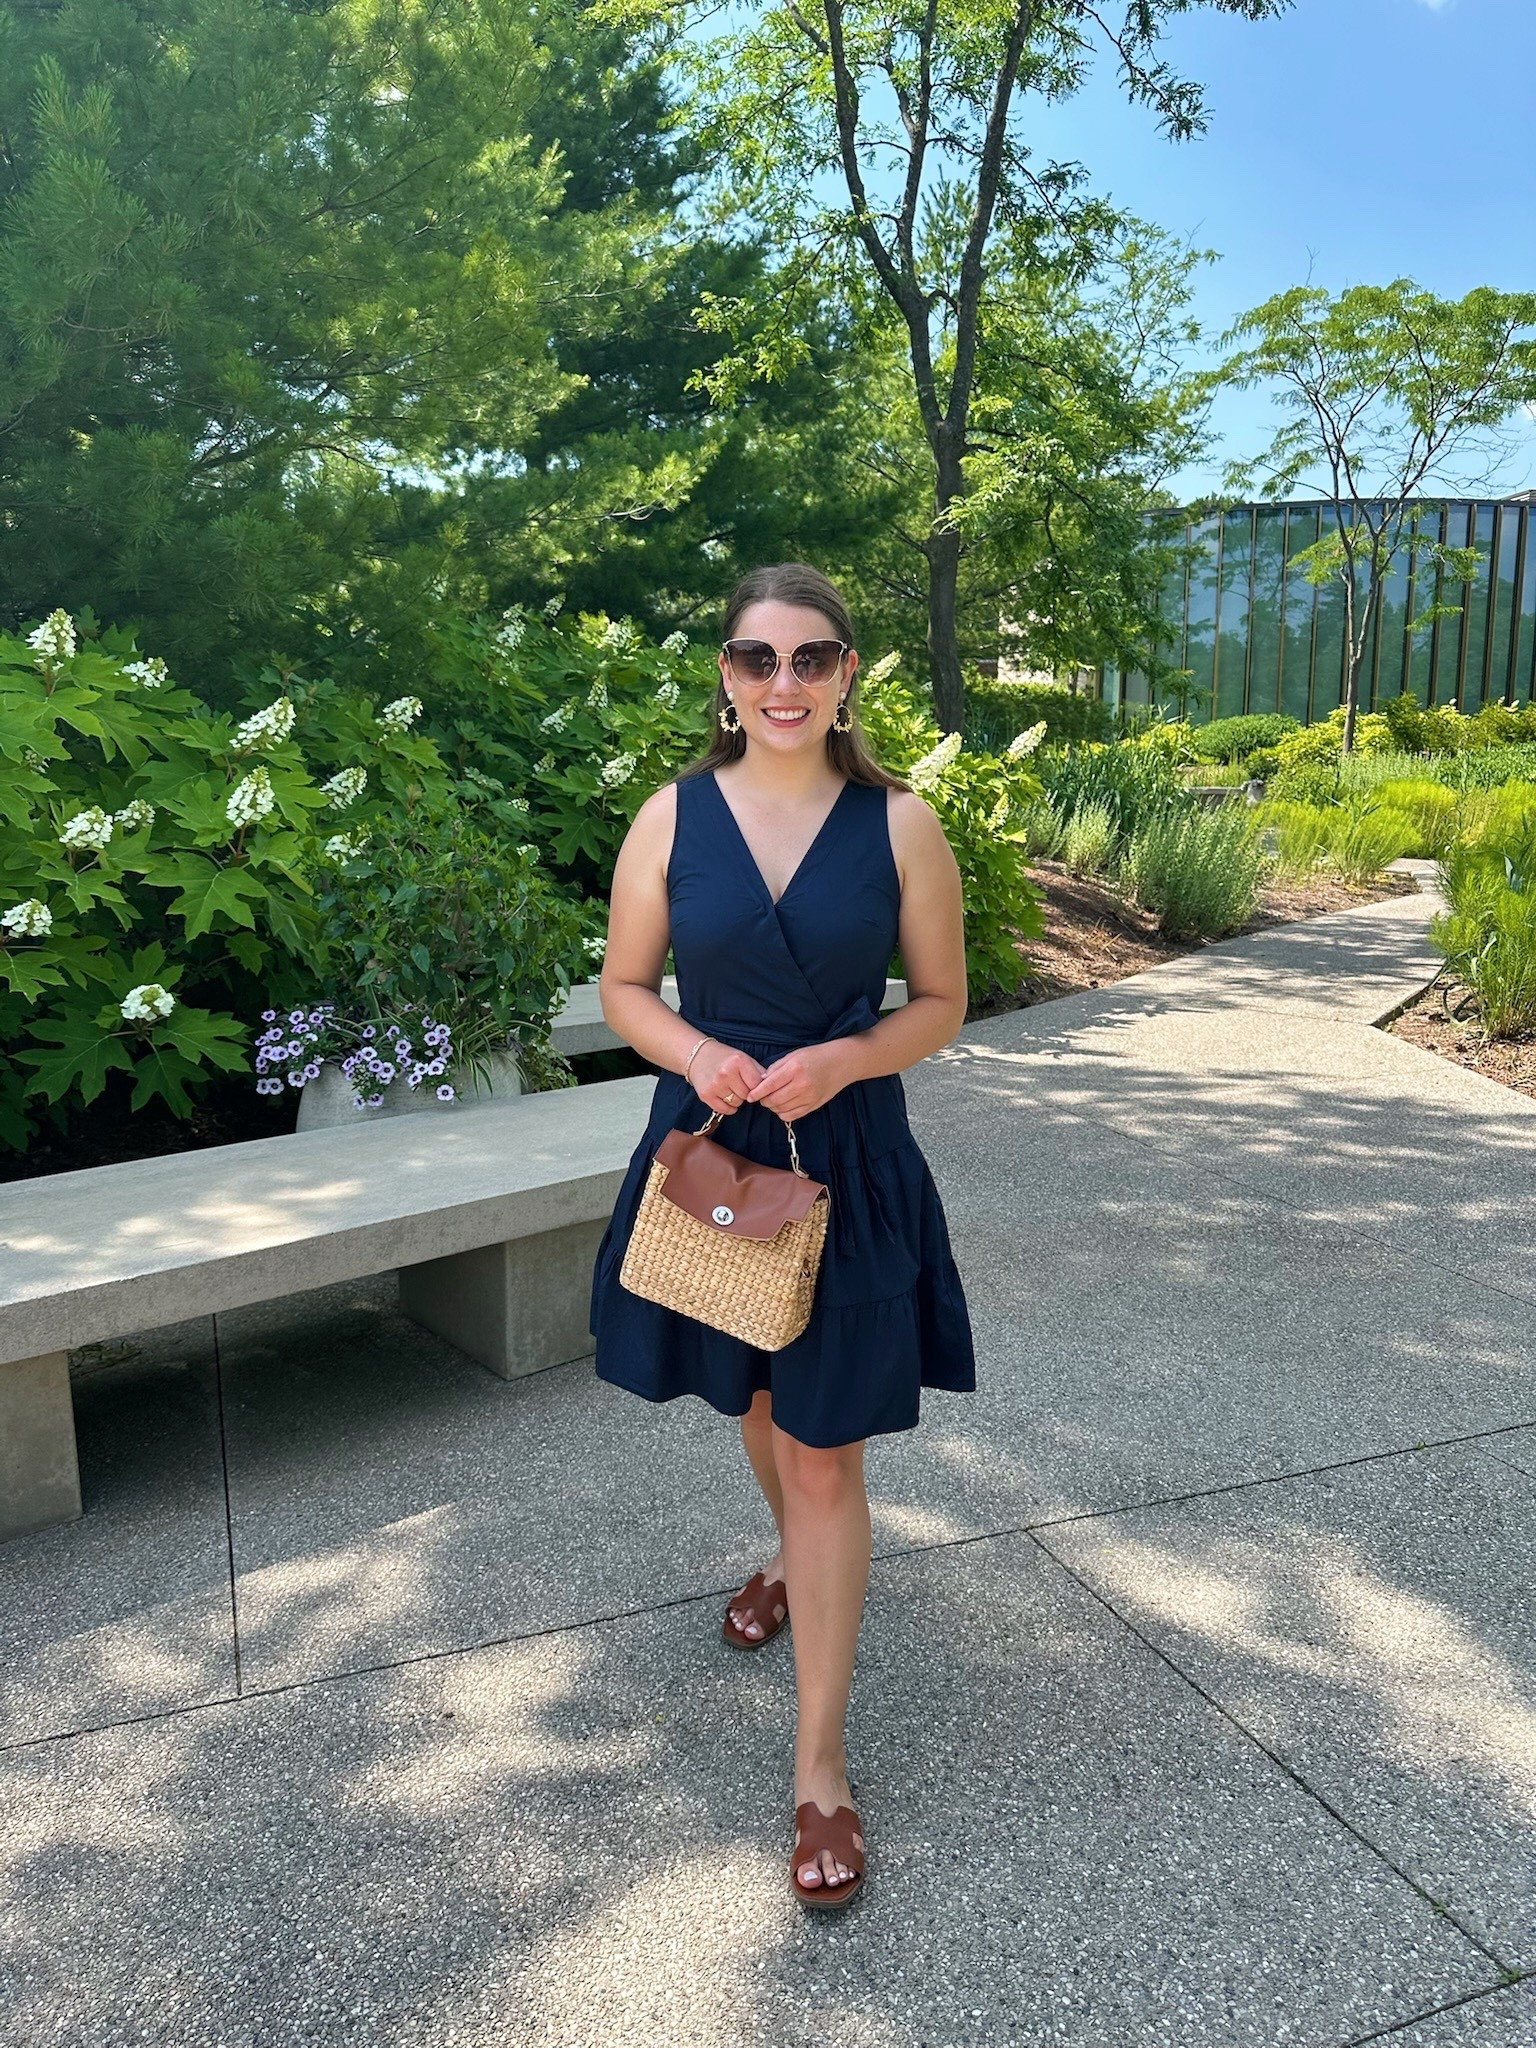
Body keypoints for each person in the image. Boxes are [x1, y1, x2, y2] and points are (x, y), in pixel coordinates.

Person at [589, 562, 977, 1909]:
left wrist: (851, 1060)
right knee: (757, 1398)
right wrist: (695, 1048)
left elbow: (941, 1003)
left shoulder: (901, 824)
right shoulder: (672, 815)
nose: (784, 683)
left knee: (824, 1448)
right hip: (713, 1156)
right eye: (757, 660)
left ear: (849, 673)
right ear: (726, 676)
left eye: (812, 658)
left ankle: (820, 1771)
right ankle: (783, 1562)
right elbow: (625, 986)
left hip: (846, 1155)